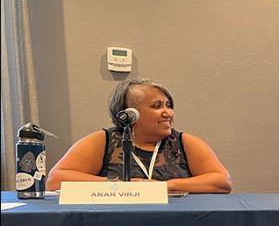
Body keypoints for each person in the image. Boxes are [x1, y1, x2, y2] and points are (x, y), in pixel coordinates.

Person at [47, 78, 232, 193]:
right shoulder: (103, 141)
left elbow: (222, 181)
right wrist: (120, 184)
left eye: (168, 105)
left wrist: (162, 187)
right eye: (157, 106)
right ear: (130, 113)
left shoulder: (185, 142)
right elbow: (56, 180)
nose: (168, 113)